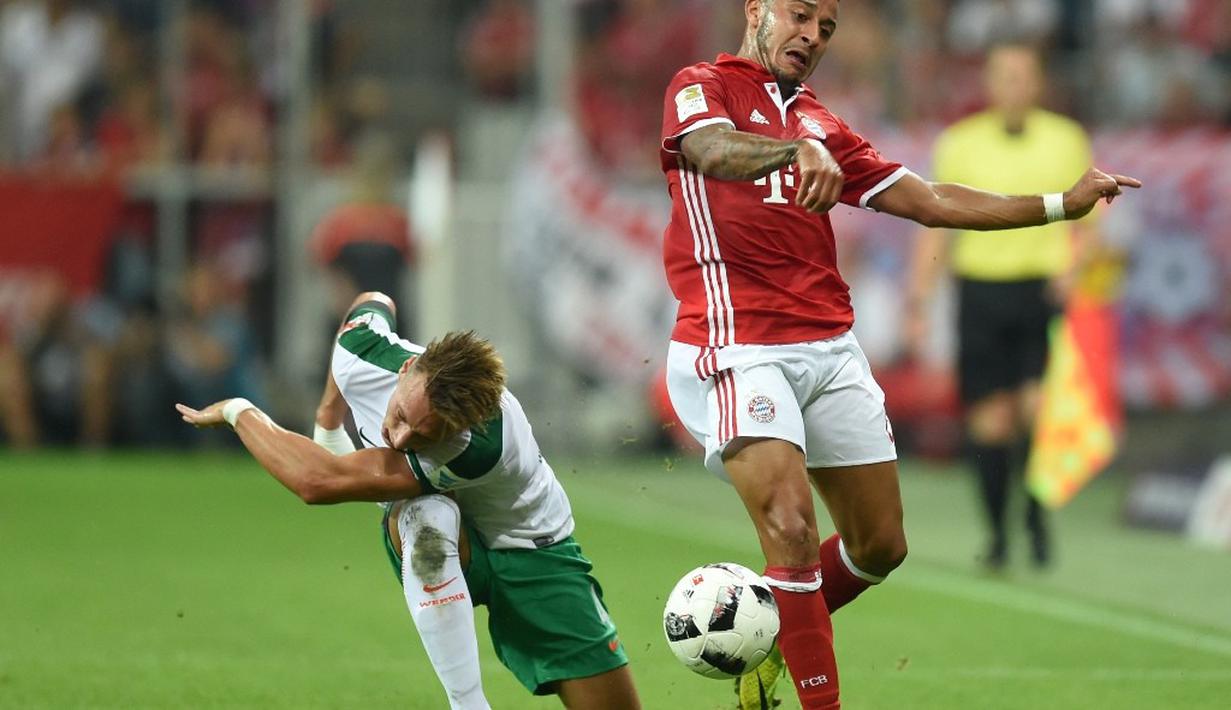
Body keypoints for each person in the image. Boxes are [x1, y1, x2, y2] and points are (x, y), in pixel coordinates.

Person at [657, 2, 1140, 708]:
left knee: (879, 546)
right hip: (736, 344)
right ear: (755, 9)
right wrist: (796, 152)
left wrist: (1057, 206)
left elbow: (929, 198)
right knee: (791, 527)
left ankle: (768, 639)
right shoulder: (700, 85)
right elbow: (709, 151)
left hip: (828, 348)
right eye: (798, 16)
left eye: (825, 28)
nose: (811, 36)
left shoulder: (820, 120)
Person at [177, 292, 639, 710]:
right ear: (405, 370)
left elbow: (316, 482)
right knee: (427, 517)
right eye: (400, 415)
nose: (396, 437)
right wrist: (328, 411)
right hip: (459, 540)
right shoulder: (366, 353)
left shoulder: (479, 445)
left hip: (535, 552)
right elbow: (372, 302)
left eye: (425, 435)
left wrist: (240, 411)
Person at [905, 43, 1097, 570]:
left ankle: (1034, 512)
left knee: (1037, 410)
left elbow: (1092, 220)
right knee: (990, 423)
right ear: (989, 84)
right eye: (1004, 76)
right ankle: (998, 534)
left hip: (1039, 291)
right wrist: (920, 298)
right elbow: (934, 220)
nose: (1014, 86)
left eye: (1023, 77)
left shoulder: (1066, 139)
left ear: (1037, 84)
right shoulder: (960, 144)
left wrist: (1073, 270)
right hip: (981, 291)